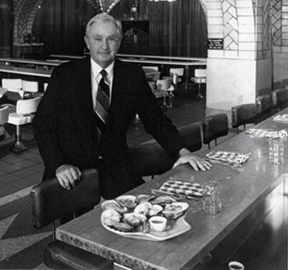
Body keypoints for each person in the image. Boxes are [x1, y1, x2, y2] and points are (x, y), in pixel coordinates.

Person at [33, 13, 211, 199]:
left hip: (116, 168)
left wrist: (182, 152)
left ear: (119, 42)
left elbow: (156, 121)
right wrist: (58, 165)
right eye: (97, 39)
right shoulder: (65, 75)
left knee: (145, 209)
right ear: (87, 42)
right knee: (77, 227)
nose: (104, 46)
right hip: (71, 171)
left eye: (111, 39)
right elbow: (43, 125)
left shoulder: (132, 75)